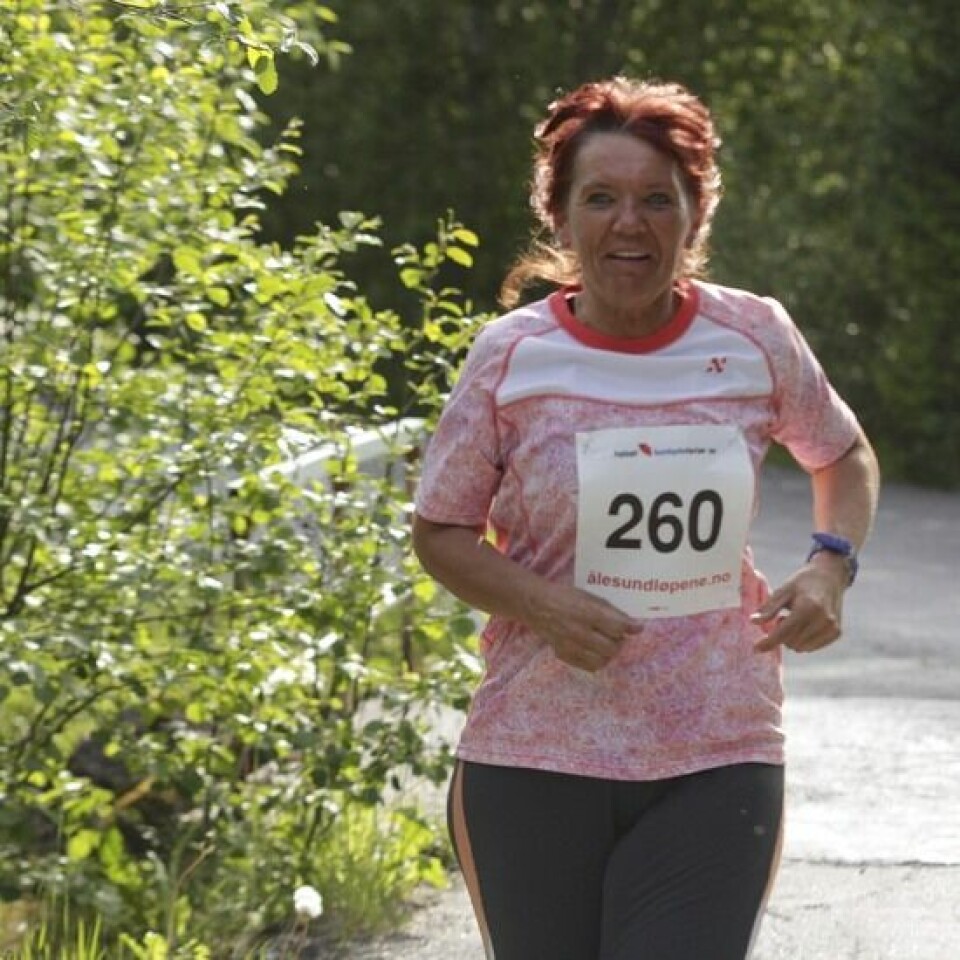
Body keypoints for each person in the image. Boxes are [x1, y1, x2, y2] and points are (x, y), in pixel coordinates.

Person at [411, 77, 880, 960]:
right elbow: (438, 531)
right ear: (560, 218)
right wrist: (541, 604)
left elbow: (843, 453)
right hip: (536, 748)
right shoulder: (511, 357)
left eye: (658, 200)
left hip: (716, 747)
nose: (631, 223)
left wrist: (829, 563)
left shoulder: (755, 337)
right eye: (602, 198)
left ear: (696, 215)